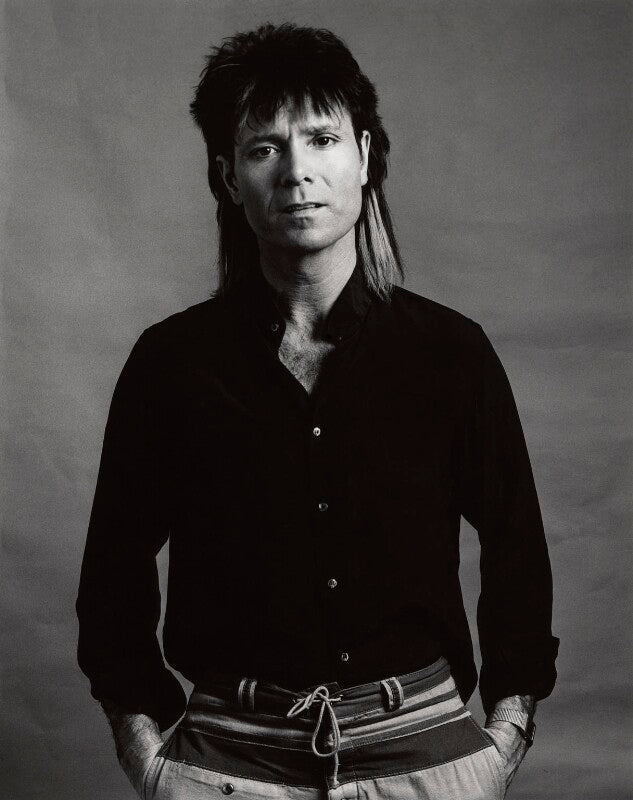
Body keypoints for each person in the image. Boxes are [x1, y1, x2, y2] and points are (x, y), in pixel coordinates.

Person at [76, 22, 559, 800]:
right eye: (264, 147)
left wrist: (503, 737)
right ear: (228, 177)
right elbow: (112, 578)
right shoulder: (171, 364)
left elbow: (517, 554)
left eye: (322, 139)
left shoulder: (450, 353)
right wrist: (146, 752)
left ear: (363, 156)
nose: (297, 170)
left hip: (424, 759)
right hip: (226, 765)